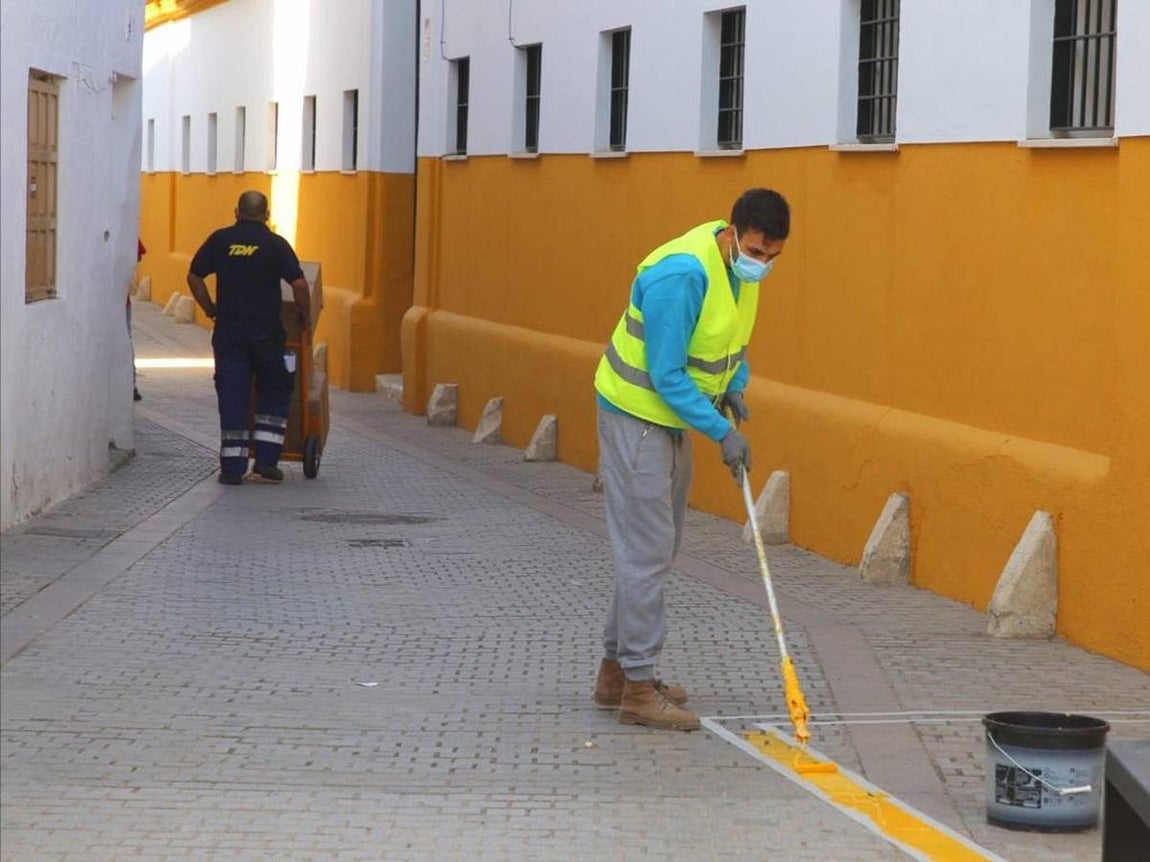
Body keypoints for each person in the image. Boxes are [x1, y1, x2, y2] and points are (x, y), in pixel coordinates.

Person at [591, 188, 790, 731]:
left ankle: (615, 675)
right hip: (636, 413)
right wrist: (721, 431)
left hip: (672, 416)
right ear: (733, 232)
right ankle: (636, 688)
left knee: (656, 547)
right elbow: (666, 372)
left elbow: (731, 344)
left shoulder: (738, 271)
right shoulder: (682, 276)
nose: (763, 264)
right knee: (647, 551)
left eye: (773, 257)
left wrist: (735, 386)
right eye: (756, 252)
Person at [187, 190, 310, 485]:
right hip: (266, 332)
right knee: (276, 387)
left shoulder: (220, 240)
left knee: (233, 393)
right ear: (266, 216)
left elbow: (194, 276)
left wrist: (209, 309)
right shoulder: (275, 244)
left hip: (229, 331)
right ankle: (266, 461)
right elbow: (300, 285)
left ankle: (232, 468)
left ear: (236, 211)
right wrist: (304, 317)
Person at [129, 238, 146, 401]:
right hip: (121, 301)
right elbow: (137, 256)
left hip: (120, 302)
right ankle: (130, 384)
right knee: (126, 341)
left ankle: (129, 384)